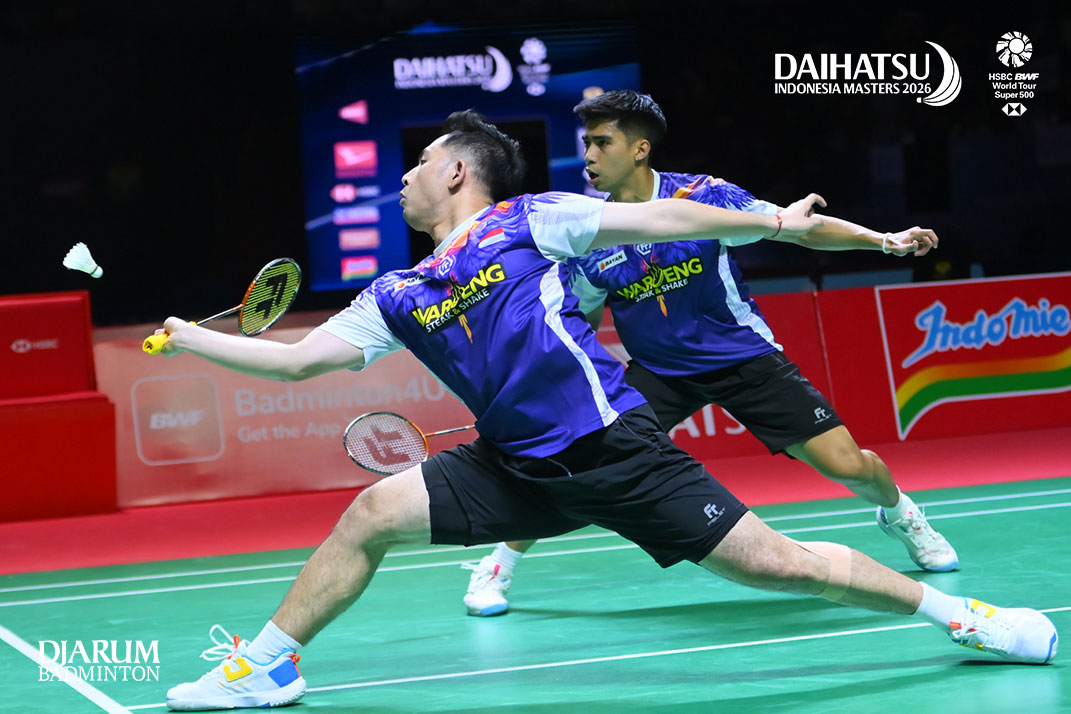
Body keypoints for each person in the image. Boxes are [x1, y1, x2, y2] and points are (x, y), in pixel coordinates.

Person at [161, 110, 1056, 711]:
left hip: (612, 450)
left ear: (458, 171)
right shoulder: (395, 292)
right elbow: (298, 364)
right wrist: (193, 339)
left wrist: (776, 224)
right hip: (511, 464)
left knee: (778, 565)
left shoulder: (530, 220)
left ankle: (963, 617)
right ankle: (265, 665)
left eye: (417, 164)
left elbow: (667, 222)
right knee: (369, 515)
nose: (402, 178)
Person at [462, 90, 958, 618]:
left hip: (740, 356)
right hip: (658, 373)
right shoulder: (589, 231)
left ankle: (900, 513)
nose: (588, 156)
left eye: (602, 142)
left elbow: (801, 229)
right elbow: (577, 315)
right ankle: (498, 565)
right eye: (587, 143)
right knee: (577, 460)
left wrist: (883, 240)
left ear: (640, 149)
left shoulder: (703, 195)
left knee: (848, 465)